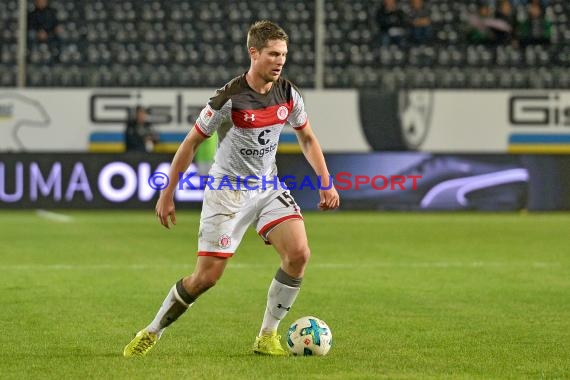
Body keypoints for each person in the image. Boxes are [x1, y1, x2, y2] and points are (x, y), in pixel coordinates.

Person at [123, 20, 340, 357]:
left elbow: (307, 137)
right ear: (254, 53)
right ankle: (153, 331)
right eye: (272, 54)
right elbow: (191, 143)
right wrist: (168, 193)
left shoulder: (288, 93)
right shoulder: (229, 97)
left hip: (268, 188)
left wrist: (326, 183)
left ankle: (267, 335)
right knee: (205, 278)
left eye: (283, 54)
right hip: (227, 193)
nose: (280, 61)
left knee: (299, 254)